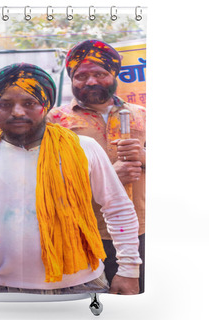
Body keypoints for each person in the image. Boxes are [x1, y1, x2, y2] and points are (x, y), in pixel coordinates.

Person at [0, 62, 141, 295]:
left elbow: (118, 208)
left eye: (29, 102)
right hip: (8, 288)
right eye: (5, 104)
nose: (17, 112)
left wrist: (128, 270)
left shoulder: (83, 148)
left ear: (45, 105)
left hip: (85, 284)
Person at [47, 40, 146, 292]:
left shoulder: (143, 114)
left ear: (114, 75)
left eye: (100, 73)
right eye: (81, 75)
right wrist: (110, 176)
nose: (91, 81)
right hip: (85, 232)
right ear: (71, 79)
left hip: (145, 230)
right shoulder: (54, 121)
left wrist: (144, 156)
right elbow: (47, 181)